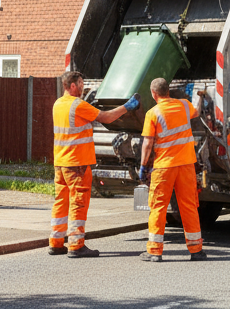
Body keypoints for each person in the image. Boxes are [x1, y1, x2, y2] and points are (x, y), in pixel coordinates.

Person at [51, 71, 138, 258]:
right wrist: (127, 107)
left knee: (62, 201)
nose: (83, 86)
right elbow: (106, 118)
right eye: (81, 83)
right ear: (72, 86)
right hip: (77, 163)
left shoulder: (58, 104)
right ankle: (76, 244)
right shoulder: (77, 105)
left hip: (60, 162)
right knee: (78, 202)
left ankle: (56, 242)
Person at [138, 78, 206, 262]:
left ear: (154, 94)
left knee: (158, 207)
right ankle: (196, 250)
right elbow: (197, 110)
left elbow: (147, 143)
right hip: (186, 165)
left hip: (164, 167)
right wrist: (200, 95)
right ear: (168, 91)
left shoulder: (153, 113)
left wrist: (144, 166)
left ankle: (154, 251)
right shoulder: (184, 105)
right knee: (189, 206)